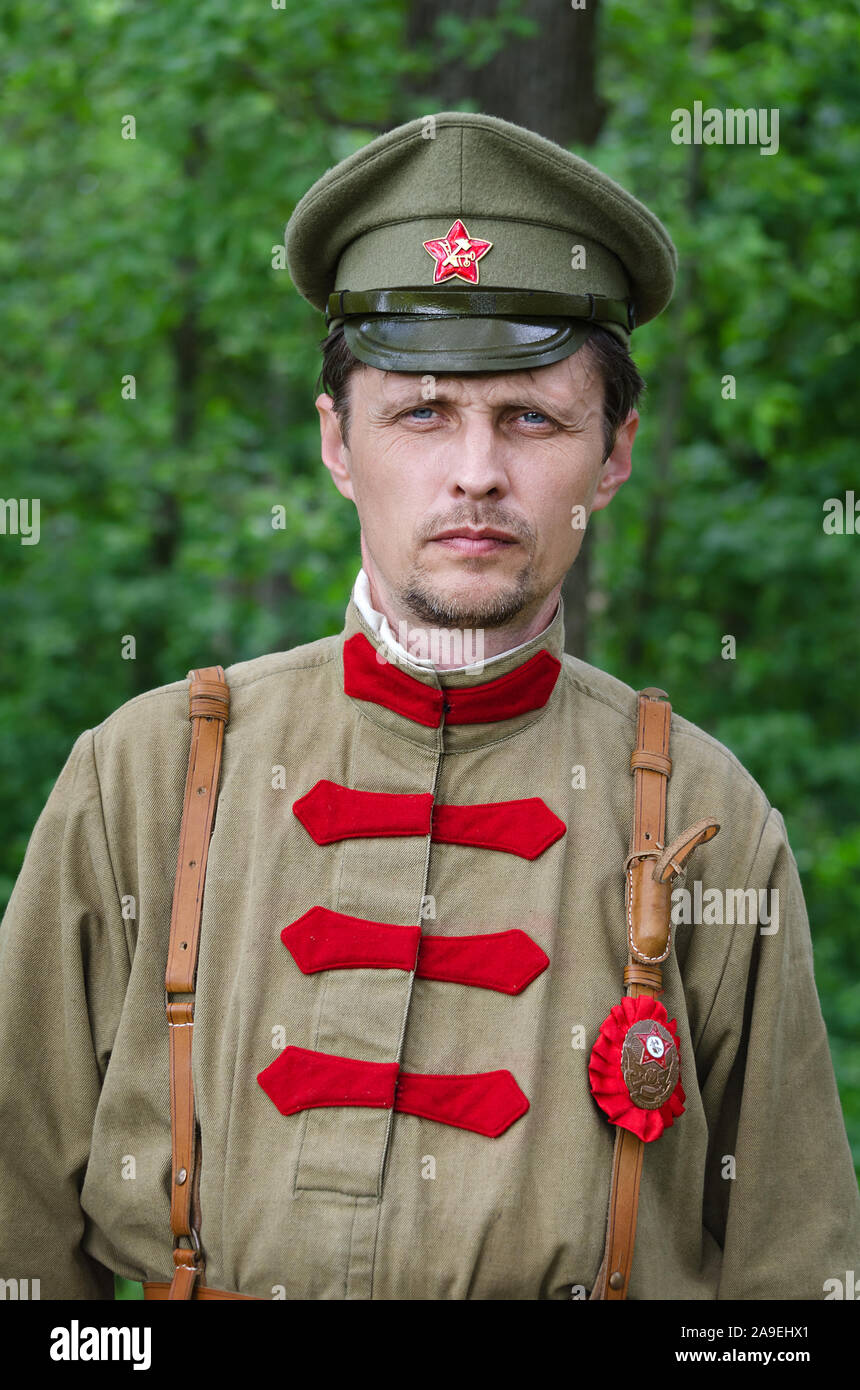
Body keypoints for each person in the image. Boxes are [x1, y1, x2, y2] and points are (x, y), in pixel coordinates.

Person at [0, 110, 857, 1301]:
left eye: (528, 416)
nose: (474, 473)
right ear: (337, 442)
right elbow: (18, 1246)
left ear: (611, 454)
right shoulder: (136, 779)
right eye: (420, 412)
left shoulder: (712, 816)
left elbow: (790, 1281)